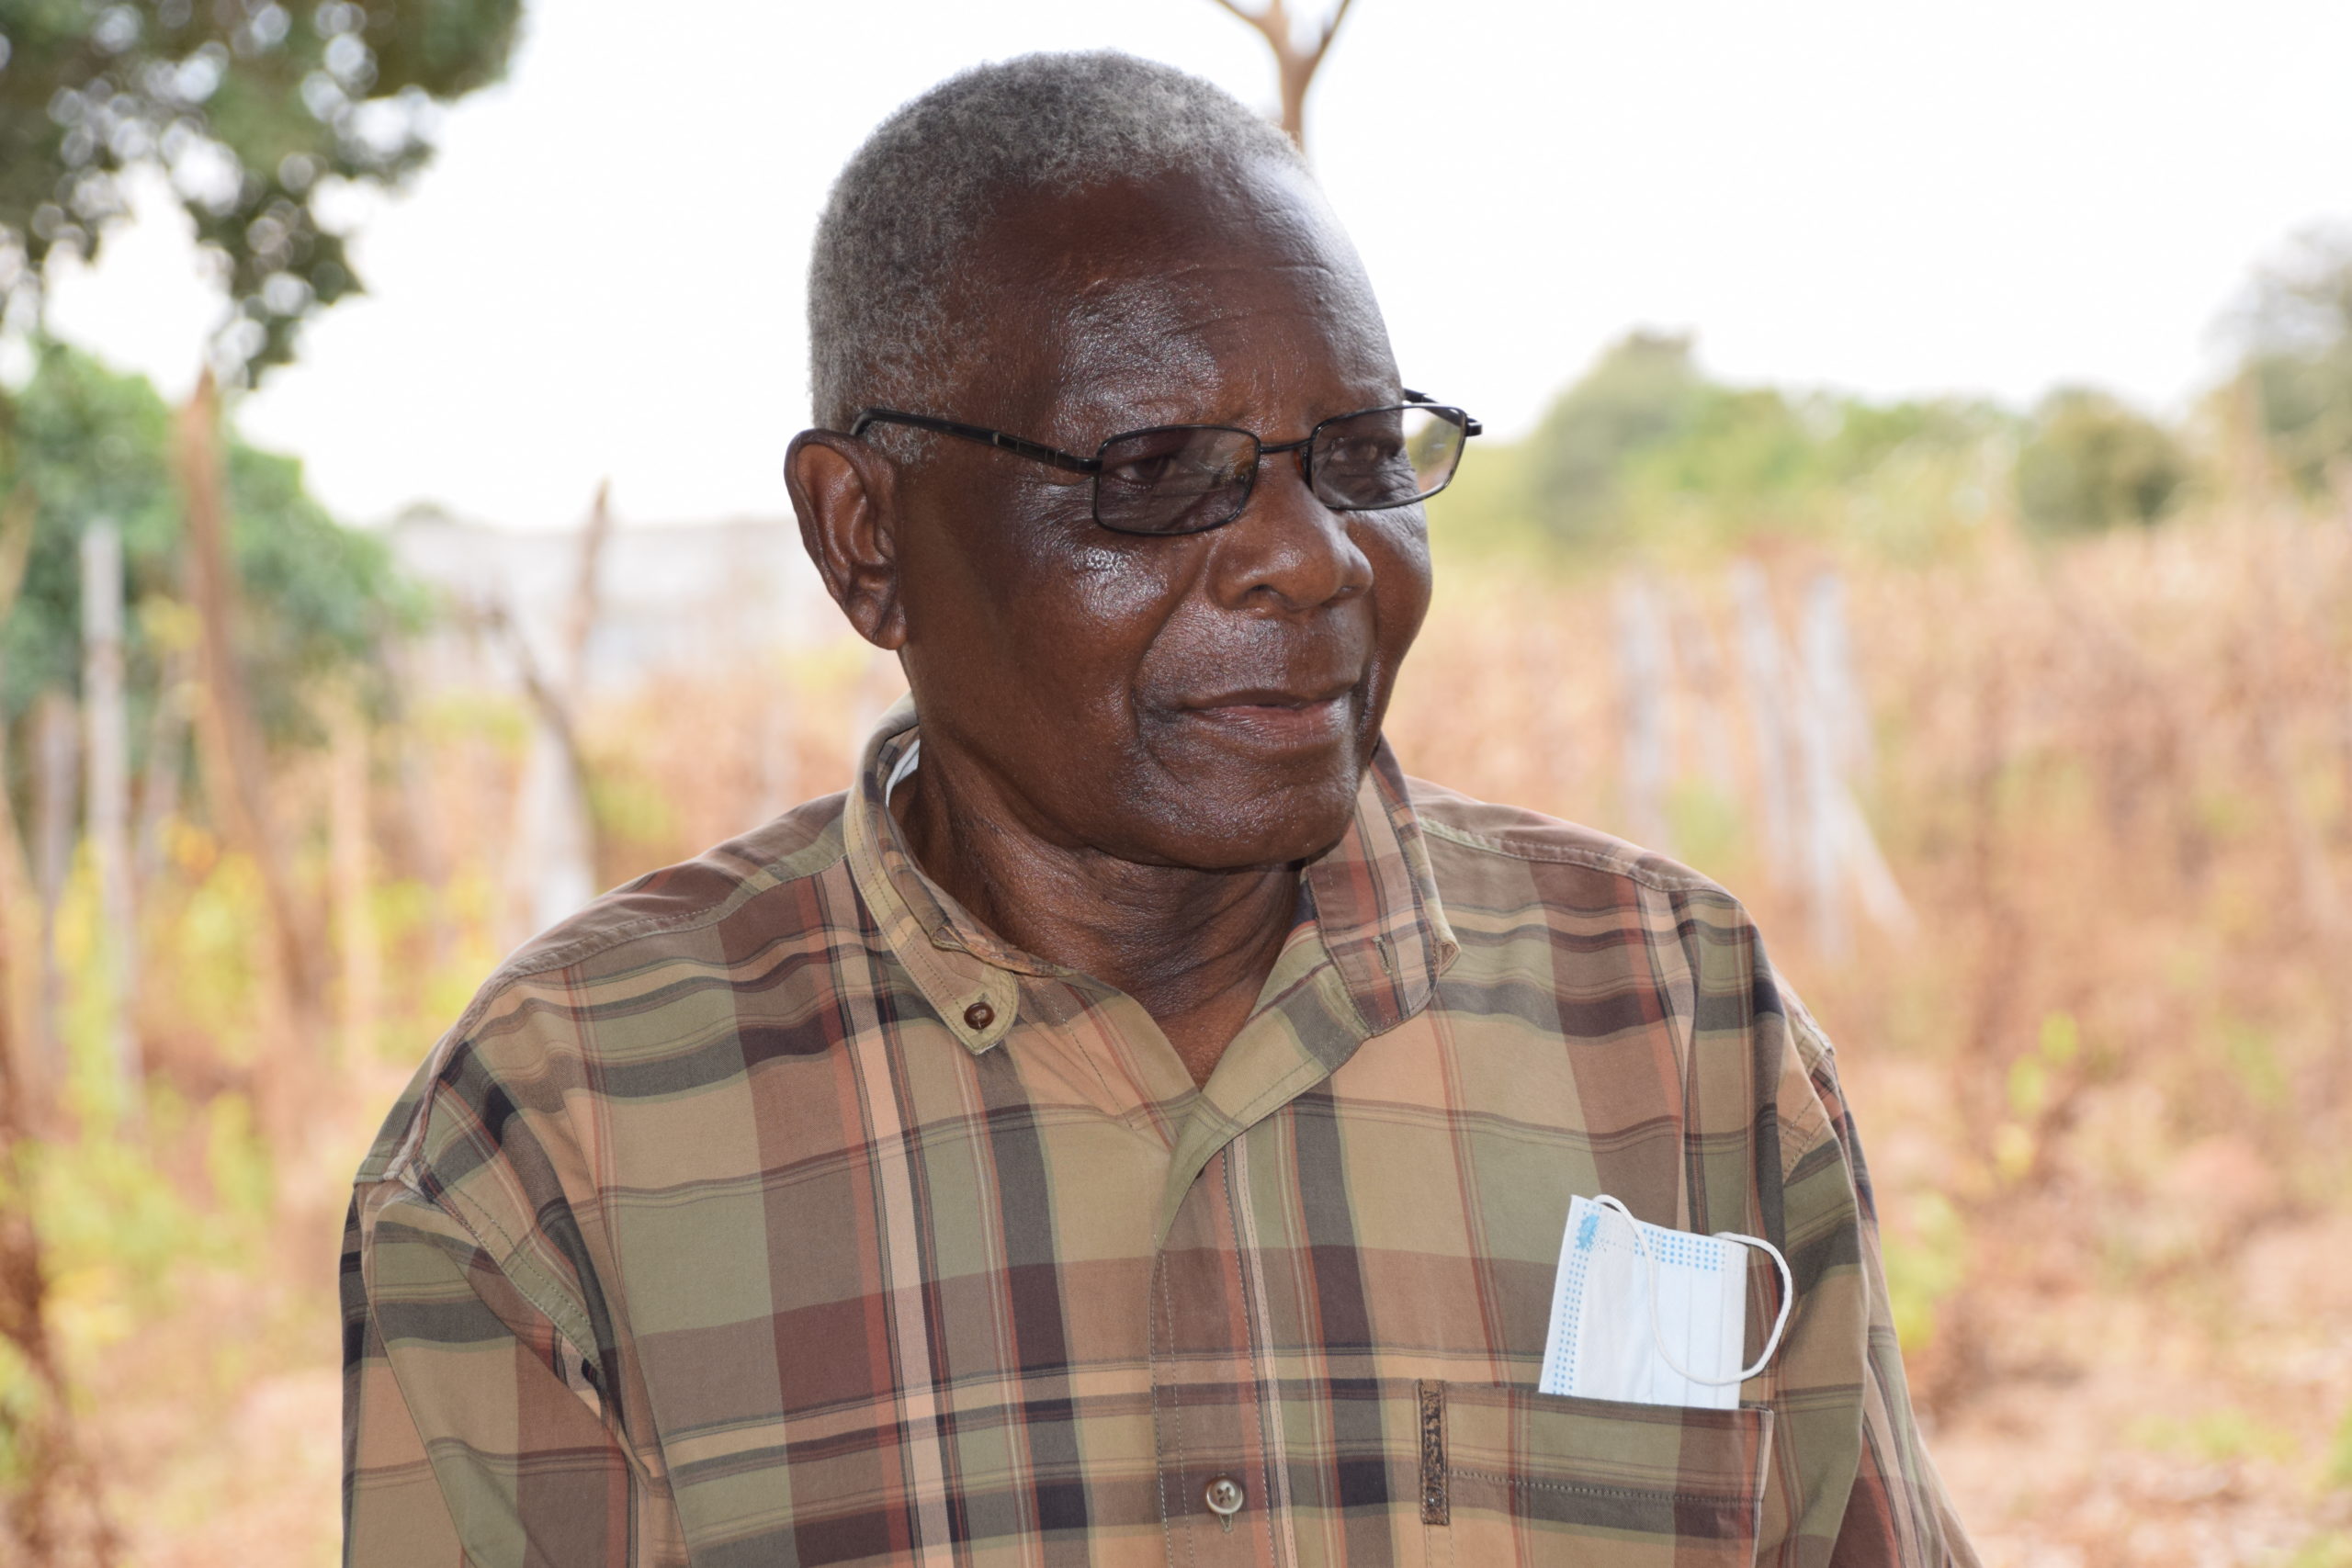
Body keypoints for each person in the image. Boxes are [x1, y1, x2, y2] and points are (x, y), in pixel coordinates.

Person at [342, 51, 1975, 1568]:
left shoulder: (1674, 1024)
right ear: (865, 540)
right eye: (1157, 470)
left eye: (1358, 454)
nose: (1314, 557)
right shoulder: (561, 1134)